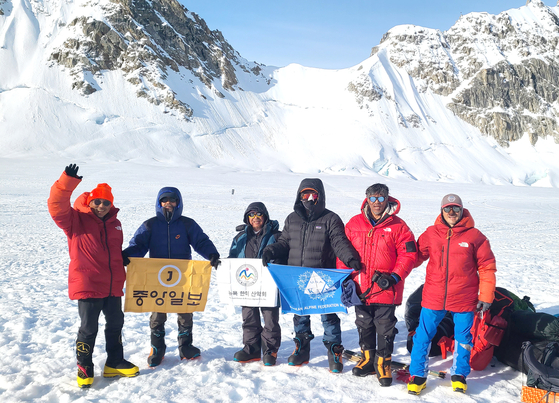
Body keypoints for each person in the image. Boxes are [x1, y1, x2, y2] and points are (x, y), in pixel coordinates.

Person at [48, 164, 139, 389]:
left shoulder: (115, 224)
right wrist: (67, 181)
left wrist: (123, 259)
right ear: (90, 202)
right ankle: (84, 366)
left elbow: (113, 252)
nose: (101, 206)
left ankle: (114, 362)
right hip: (89, 283)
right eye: (97, 201)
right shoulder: (75, 220)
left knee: (116, 323)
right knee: (89, 328)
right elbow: (56, 207)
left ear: (111, 204)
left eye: (106, 202)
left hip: (112, 284)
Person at [261, 178, 361, 373]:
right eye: (304, 195)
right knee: (300, 315)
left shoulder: (330, 218)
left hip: (322, 277)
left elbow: (339, 242)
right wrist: (271, 250)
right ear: (299, 196)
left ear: (320, 196)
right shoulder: (292, 218)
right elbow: (284, 242)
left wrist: (350, 259)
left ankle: (334, 350)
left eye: (312, 194)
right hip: (297, 277)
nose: (308, 198)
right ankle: (302, 348)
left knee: (328, 316)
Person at [407, 194, 496, 395]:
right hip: (433, 296)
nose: (452, 212)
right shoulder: (431, 233)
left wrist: (486, 296)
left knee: (464, 339)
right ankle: (417, 375)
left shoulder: (475, 236)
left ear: (462, 210)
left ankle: (459, 375)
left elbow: (487, 267)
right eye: (447, 208)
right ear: (441, 211)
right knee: (422, 336)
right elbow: (415, 256)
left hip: (464, 298)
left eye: (456, 208)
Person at [123, 187, 220, 367]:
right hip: (157, 278)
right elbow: (138, 244)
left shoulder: (187, 224)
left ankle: (186, 346)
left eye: (172, 200)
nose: (168, 203)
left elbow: (201, 241)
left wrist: (211, 254)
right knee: (158, 313)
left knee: (185, 311)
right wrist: (127, 255)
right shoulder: (150, 225)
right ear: (159, 203)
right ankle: (157, 348)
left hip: (182, 277)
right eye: (164, 200)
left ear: (178, 202)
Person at [337, 183, 417, 387]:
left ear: (388, 199)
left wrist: (395, 276)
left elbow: (408, 255)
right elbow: (342, 251)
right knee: (363, 324)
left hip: (386, 287)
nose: (377, 203)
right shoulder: (354, 224)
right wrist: (344, 276)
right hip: (360, 287)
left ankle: (383, 363)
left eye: (381, 198)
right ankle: (367, 359)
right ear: (367, 199)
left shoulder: (399, 226)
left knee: (385, 328)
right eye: (373, 198)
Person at [228, 202, 282, 366]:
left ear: (265, 216)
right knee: (249, 317)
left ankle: (270, 350)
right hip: (247, 284)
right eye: (251, 215)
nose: (255, 218)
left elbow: (283, 255)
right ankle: (251, 349)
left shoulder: (277, 236)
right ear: (247, 218)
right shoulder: (240, 238)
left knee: (270, 318)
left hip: (268, 285)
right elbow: (233, 258)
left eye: (258, 214)